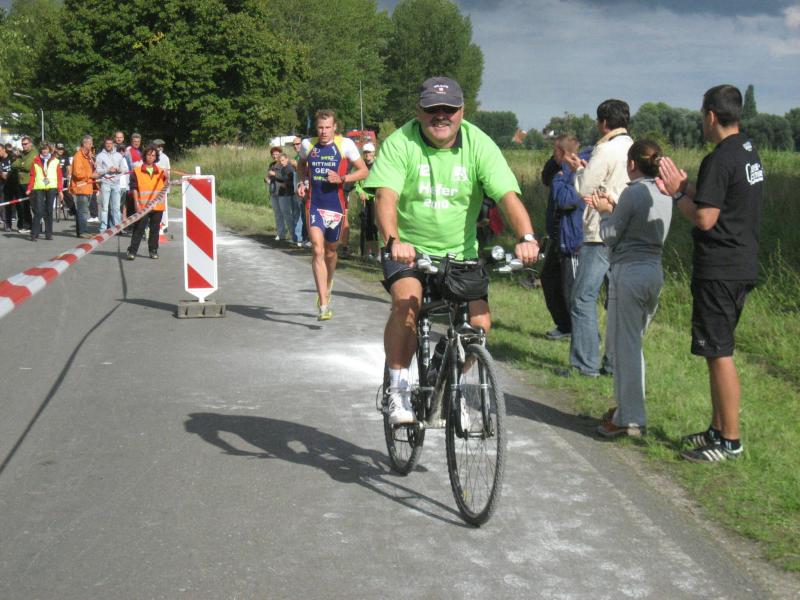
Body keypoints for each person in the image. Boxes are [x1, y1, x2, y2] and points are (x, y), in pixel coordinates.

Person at [366, 76, 540, 425]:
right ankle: (397, 389)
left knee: (479, 324)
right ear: (419, 111)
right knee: (407, 305)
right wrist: (393, 240)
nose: (441, 116)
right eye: (433, 109)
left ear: (462, 111)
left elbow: (507, 196)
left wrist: (527, 237)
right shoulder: (401, 142)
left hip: (460, 254)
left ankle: (450, 382)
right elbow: (385, 196)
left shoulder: (478, 143)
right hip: (408, 250)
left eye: (449, 109)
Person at [658, 85, 764, 462]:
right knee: (714, 350)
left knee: (719, 353)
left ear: (711, 116)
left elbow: (705, 217)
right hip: (741, 262)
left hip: (720, 268)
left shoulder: (719, 158)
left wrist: (676, 196)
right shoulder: (747, 150)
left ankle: (730, 441)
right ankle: (717, 429)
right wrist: (684, 185)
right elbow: (719, 195)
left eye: (703, 115)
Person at [586, 140, 673, 438]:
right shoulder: (664, 191)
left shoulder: (633, 192)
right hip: (654, 270)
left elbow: (611, 234)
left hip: (630, 272)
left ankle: (629, 418)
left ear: (632, 164)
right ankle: (627, 408)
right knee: (632, 344)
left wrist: (604, 211)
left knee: (624, 349)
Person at [563, 99, 633, 377]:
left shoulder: (605, 149)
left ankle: (585, 363)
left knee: (582, 297)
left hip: (600, 231)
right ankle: (615, 363)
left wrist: (578, 170)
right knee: (617, 300)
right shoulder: (632, 147)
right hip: (626, 230)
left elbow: (585, 188)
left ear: (603, 123)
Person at [297, 110, 369, 320]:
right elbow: (301, 164)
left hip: (335, 206)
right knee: (317, 249)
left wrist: (342, 178)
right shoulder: (307, 145)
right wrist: (302, 181)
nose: (324, 132)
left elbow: (364, 171)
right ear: (316, 128)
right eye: (320, 127)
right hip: (314, 204)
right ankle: (323, 305)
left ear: (334, 127)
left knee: (330, 251)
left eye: (328, 127)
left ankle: (328, 284)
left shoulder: (345, 144)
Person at [540, 135, 589, 340]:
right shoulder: (559, 169)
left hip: (572, 239)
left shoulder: (580, 172)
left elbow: (566, 200)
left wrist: (560, 177)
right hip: (557, 237)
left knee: (572, 289)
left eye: (555, 152)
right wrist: (557, 164)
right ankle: (564, 325)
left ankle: (583, 332)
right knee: (549, 279)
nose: (553, 156)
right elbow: (545, 178)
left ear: (561, 151)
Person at [127, 144, 167, 260]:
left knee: (155, 230)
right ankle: (132, 251)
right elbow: (134, 188)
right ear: (144, 156)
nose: (151, 157)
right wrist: (136, 203)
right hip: (143, 206)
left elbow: (166, 185)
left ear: (156, 157)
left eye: (153, 155)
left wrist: (167, 176)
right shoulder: (137, 171)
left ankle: (153, 251)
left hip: (157, 206)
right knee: (139, 229)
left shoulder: (161, 171)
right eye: (149, 155)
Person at [26, 141, 63, 241]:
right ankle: (34, 234)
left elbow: (59, 177)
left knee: (49, 210)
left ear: (49, 150)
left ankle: (48, 233)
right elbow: (32, 175)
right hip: (38, 187)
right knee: (38, 211)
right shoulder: (35, 160)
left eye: (46, 149)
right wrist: (29, 188)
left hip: (51, 187)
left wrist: (60, 190)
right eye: (42, 149)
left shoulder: (56, 161)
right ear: (40, 150)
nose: (44, 151)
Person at [353, 142, 380, 260]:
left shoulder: (379, 164)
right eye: (365, 152)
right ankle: (367, 252)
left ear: (373, 153)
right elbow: (356, 183)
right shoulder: (360, 165)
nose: (367, 154)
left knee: (375, 225)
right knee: (366, 225)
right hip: (364, 199)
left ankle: (377, 252)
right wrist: (360, 192)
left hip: (375, 199)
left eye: (369, 152)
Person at [95, 136, 127, 231]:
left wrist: (119, 169)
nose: (108, 145)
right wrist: (107, 170)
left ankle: (117, 228)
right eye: (107, 143)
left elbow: (125, 169)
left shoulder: (118, 155)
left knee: (116, 208)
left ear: (113, 144)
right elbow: (98, 170)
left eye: (110, 143)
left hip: (116, 184)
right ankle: (103, 228)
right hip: (105, 183)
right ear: (104, 144)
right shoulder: (100, 156)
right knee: (105, 207)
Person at [69, 135, 98, 238]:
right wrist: (91, 175)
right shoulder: (78, 156)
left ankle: (82, 230)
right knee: (83, 211)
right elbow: (77, 173)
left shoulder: (87, 156)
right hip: (81, 187)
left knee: (84, 210)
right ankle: (82, 231)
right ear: (84, 144)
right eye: (90, 143)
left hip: (87, 187)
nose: (92, 145)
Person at [11, 135, 36, 234]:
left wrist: (21, 164)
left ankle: (38, 225)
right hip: (20, 182)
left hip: (29, 182)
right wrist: (21, 164)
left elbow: (28, 166)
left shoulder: (34, 153)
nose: (23, 146)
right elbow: (13, 165)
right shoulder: (22, 154)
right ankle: (27, 225)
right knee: (23, 205)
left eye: (25, 144)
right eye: (22, 144)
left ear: (30, 144)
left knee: (33, 206)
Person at [273, 152, 295, 242]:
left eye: (283, 160)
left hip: (289, 194)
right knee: (285, 214)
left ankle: (294, 236)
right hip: (284, 192)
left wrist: (285, 184)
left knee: (288, 214)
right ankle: (292, 235)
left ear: (287, 159)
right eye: (280, 161)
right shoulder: (283, 168)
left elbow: (293, 181)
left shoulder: (289, 168)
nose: (281, 162)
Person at [1, 145, 13, 231]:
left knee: (20, 205)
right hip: (3, 185)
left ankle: (26, 224)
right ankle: (7, 224)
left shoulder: (11, 158)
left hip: (13, 183)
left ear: (4, 150)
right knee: (4, 205)